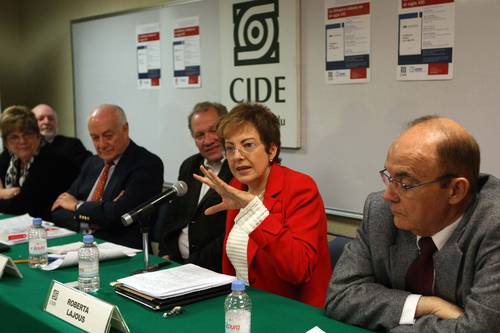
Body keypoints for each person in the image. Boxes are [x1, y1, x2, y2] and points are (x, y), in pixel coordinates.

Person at [325, 116, 500, 331]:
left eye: (406, 183)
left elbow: (481, 329)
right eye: (390, 176)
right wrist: (425, 306)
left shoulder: (493, 224)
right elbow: (341, 295)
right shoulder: (380, 210)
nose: (388, 195)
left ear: (456, 191)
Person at [194, 102, 331, 308]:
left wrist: (255, 211)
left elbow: (297, 271)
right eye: (230, 148)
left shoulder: (300, 188)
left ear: (272, 150)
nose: (237, 156)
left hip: (293, 312)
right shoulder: (237, 185)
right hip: (243, 306)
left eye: (248, 145)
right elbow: (233, 267)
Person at [51, 104, 164, 248]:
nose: (102, 144)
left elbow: (118, 216)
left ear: (125, 129)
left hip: (120, 251)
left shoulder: (147, 164)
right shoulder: (92, 162)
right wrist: (95, 215)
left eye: (108, 136)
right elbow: (58, 211)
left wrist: (77, 206)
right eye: (95, 138)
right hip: (79, 246)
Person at [159, 102, 232, 272]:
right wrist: (166, 253)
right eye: (199, 135)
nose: (208, 140)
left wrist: (190, 266)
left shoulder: (238, 169)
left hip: (213, 269)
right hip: (177, 264)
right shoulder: (190, 165)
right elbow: (172, 216)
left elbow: (229, 234)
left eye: (214, 130)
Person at [0, 105, 78, 220]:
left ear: (37, 135)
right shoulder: (7, 157)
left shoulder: (53, 160)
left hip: (50, 226)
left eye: (28, 134)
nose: (22, 141)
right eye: (14, 137)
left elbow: (24, 207)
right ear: (6, 142)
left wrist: (3, 194)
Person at [32, 104, 91, 171]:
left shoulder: (72, 145)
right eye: (41, 119)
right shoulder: (26, 147)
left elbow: (89, 167)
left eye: (51, 118)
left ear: (57, 123)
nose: (46, 122)